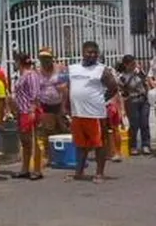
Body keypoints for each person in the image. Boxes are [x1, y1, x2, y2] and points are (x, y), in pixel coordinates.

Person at [66, 41, 118, 184]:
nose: (92, 55)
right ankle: (79, 172)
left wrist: (101, 100)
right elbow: (68, 88)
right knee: (80, 144)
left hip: (95, 114)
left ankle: (99, 173)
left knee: (98, 144)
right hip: (78, 113)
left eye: (95, 53)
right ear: (83, 52)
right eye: (89, 52)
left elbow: (113, 88)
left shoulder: (102, 70)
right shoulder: (73, 68)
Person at [11, 52, 43, 180]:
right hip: (21, 111)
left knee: (33, 140)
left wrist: (33, 111)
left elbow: (35, 94)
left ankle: (37, 169)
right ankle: (25, 168)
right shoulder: (21, 75)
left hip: (29, 111)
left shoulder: (31, 75)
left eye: (16, 61)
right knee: (25, 142)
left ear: (20, 62)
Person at [36, 47, 69, 167]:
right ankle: (48, 156)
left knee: (62, 129)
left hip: (59, 103)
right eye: (42, 58)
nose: (45, 61)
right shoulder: (38, 71)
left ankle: (63, 155)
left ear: (52, 58)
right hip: (45, 104)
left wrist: (64, 106)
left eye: (47, 58)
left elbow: (66, 87)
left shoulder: (61, 69)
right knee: (47, 130)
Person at [118, 54, 150, 155]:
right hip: (132, 101)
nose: (134, 65)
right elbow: (123, 90)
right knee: (134, 125)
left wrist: (140, 73)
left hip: (143, 100)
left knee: (144, 123)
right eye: (132, 64)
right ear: (126, 65)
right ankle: (133, 146)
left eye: (135, 63)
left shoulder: (139, 72)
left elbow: (145, 82)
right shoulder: (122, 77)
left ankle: (146, 145)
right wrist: (132, 74)